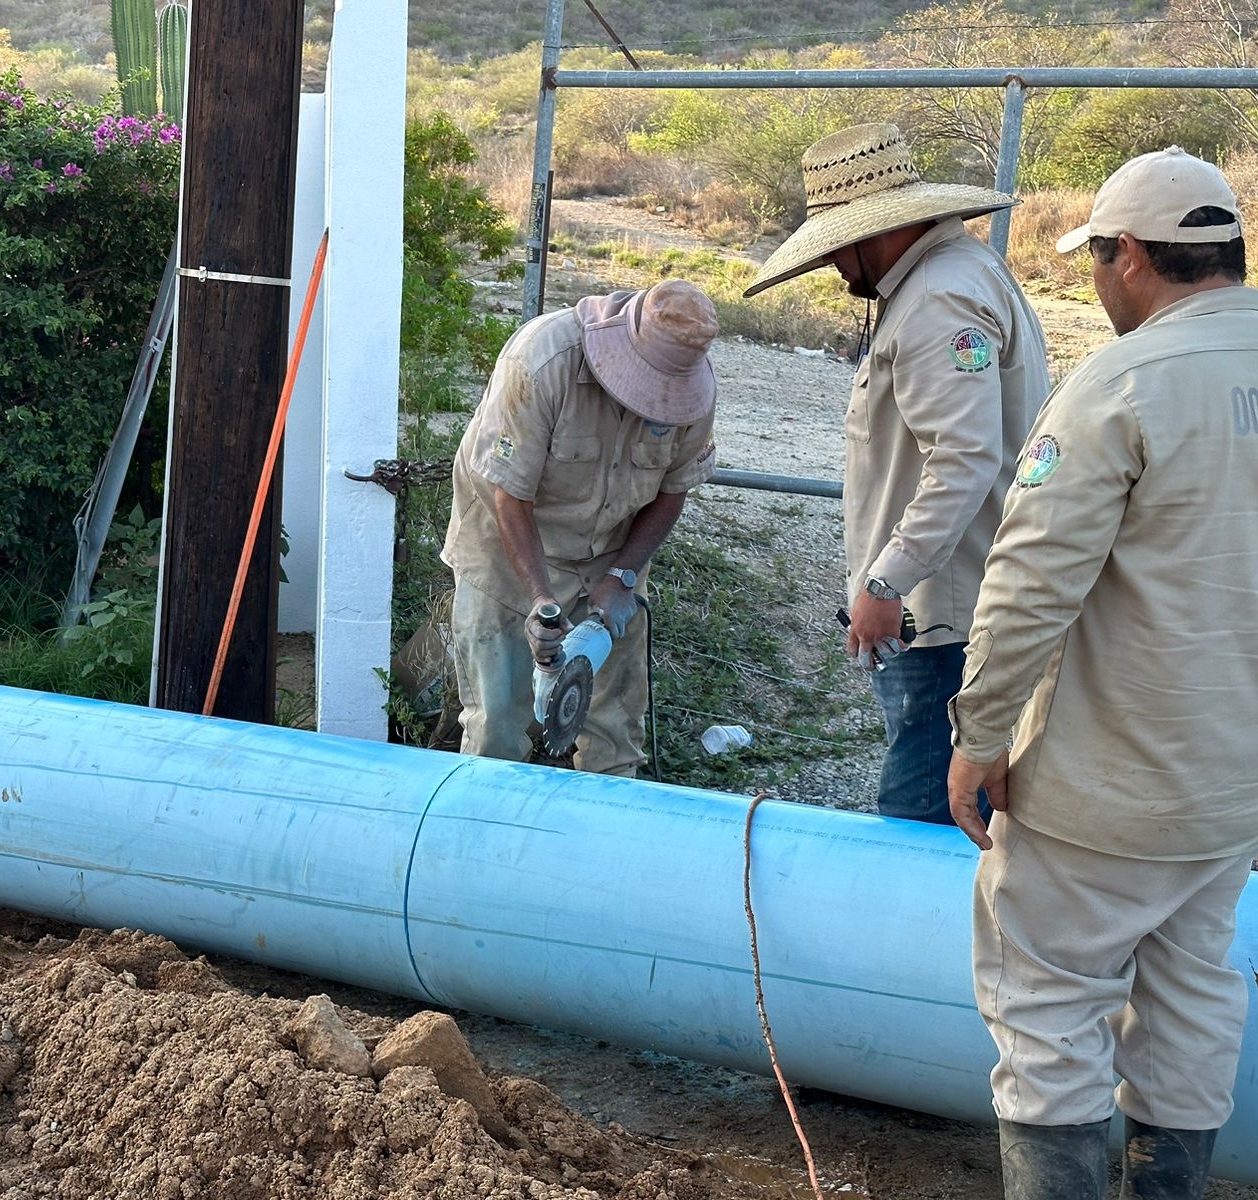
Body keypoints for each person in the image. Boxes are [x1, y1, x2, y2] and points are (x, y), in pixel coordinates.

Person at [945, 147, 1258, 1199]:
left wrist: (979, 736)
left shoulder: (1119, 385)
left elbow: (1028, 586)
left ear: (1128, 257)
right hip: (1230, 794)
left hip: (1102, 793)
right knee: (1193, 1000)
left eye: (1094, 261)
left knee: (1045, 1012)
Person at [744, 122, 1049, 824]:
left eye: (834, 250)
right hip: (952, 605)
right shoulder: (954, 277)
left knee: (923, 819)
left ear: (870, 234)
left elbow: (964, 456)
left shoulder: (937, 301)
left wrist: (887, 581)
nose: (834, 268)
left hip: (945, 619)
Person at [440, 280, 719, 775]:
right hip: (508, 554)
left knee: (616, 733)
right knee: (497, 730)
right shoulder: (542, 361)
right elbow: (511, 495)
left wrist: (623, 577)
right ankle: (488, 840)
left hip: (610, 561)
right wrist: (540, 602)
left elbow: (674, 488)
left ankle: (600, 841)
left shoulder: (694, 385)